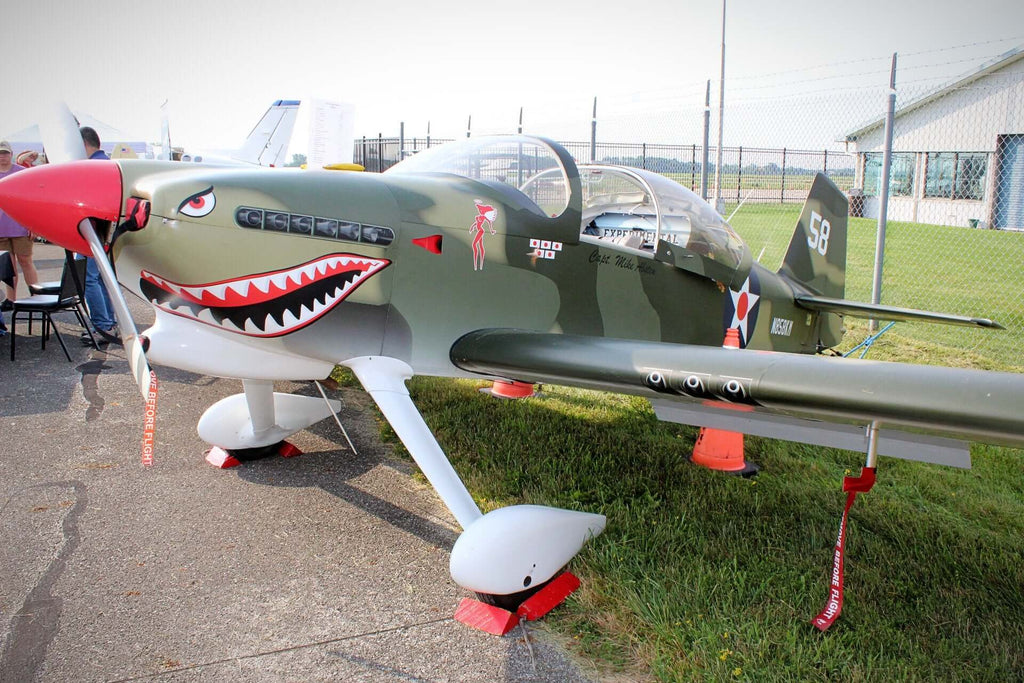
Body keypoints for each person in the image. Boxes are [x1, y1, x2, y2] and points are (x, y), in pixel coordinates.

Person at [79, 127, 119, 345]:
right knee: (100, 278)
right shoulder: (106, 163)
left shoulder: (92, 167)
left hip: (92, 232)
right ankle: (108, 323)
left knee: (89, 279)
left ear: (84, 144)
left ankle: (102, 325)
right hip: (102, 232)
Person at [0, 140, 40, 314]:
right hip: (1, 228)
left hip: (20, 226)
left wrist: (34, 224)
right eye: (0, 154)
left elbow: (34, 201)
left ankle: (36, 296)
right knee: (9, 266)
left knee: (26, 261)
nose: (2, 157)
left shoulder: (22, 173)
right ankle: (11, 299)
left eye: (5, 153)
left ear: (11, 154)